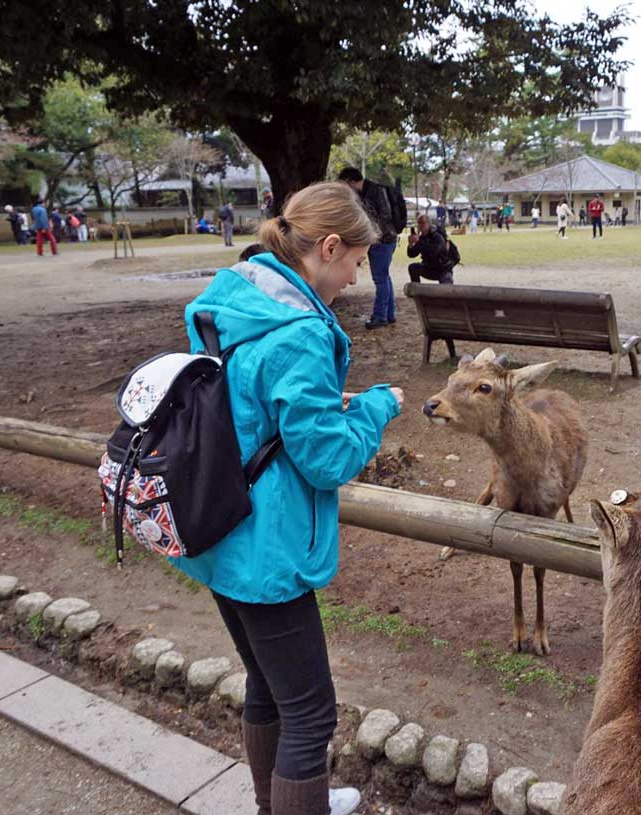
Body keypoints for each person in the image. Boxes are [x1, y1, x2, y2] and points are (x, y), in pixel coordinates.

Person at [175, 180, 403, 815]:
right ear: (329, 247)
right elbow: (328, 460)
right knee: (310, 712)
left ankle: (272, 804)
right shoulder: (299, 332)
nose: (358, 278)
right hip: (267, 546)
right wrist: (380, 406)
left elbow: (252, 405)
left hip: (217, 524)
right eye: (357, 260)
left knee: (269, 688)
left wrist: (328, 407)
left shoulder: (232, 299)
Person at [339, 167, 399, 330]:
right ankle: (389, 314)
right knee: (384, 277)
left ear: (349, 181)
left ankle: (380, 316)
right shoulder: (365, 192)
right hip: (381, 240)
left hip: (382, 240)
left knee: (380, 278)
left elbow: (384, 216)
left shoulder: (375, 191)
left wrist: (370, 234)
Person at [406, 214, 454, 284]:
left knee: (446, 290)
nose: (420, 225)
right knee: (413, 267)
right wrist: (410, 244)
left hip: (443, 269)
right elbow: (411, 254)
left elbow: (433, 252)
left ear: (429, 223)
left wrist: (419, 241)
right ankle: (417, 291)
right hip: (429, 267)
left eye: (422, 223)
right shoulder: (421, 237)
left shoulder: (438, 236)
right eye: (418, 223)